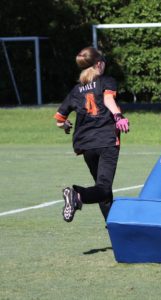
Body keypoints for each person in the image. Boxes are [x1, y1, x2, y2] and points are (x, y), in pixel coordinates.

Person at [54, 46, 129, 223]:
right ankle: (77, 195)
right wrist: (118, 116)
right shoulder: (106, 81)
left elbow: (59, 120)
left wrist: (65, 125)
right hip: (106, 140)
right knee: (103, 188)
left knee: (102, 189)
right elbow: (108, 99)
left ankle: (113, 227)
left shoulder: (76, 90)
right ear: (98, 64)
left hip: (86, 144)